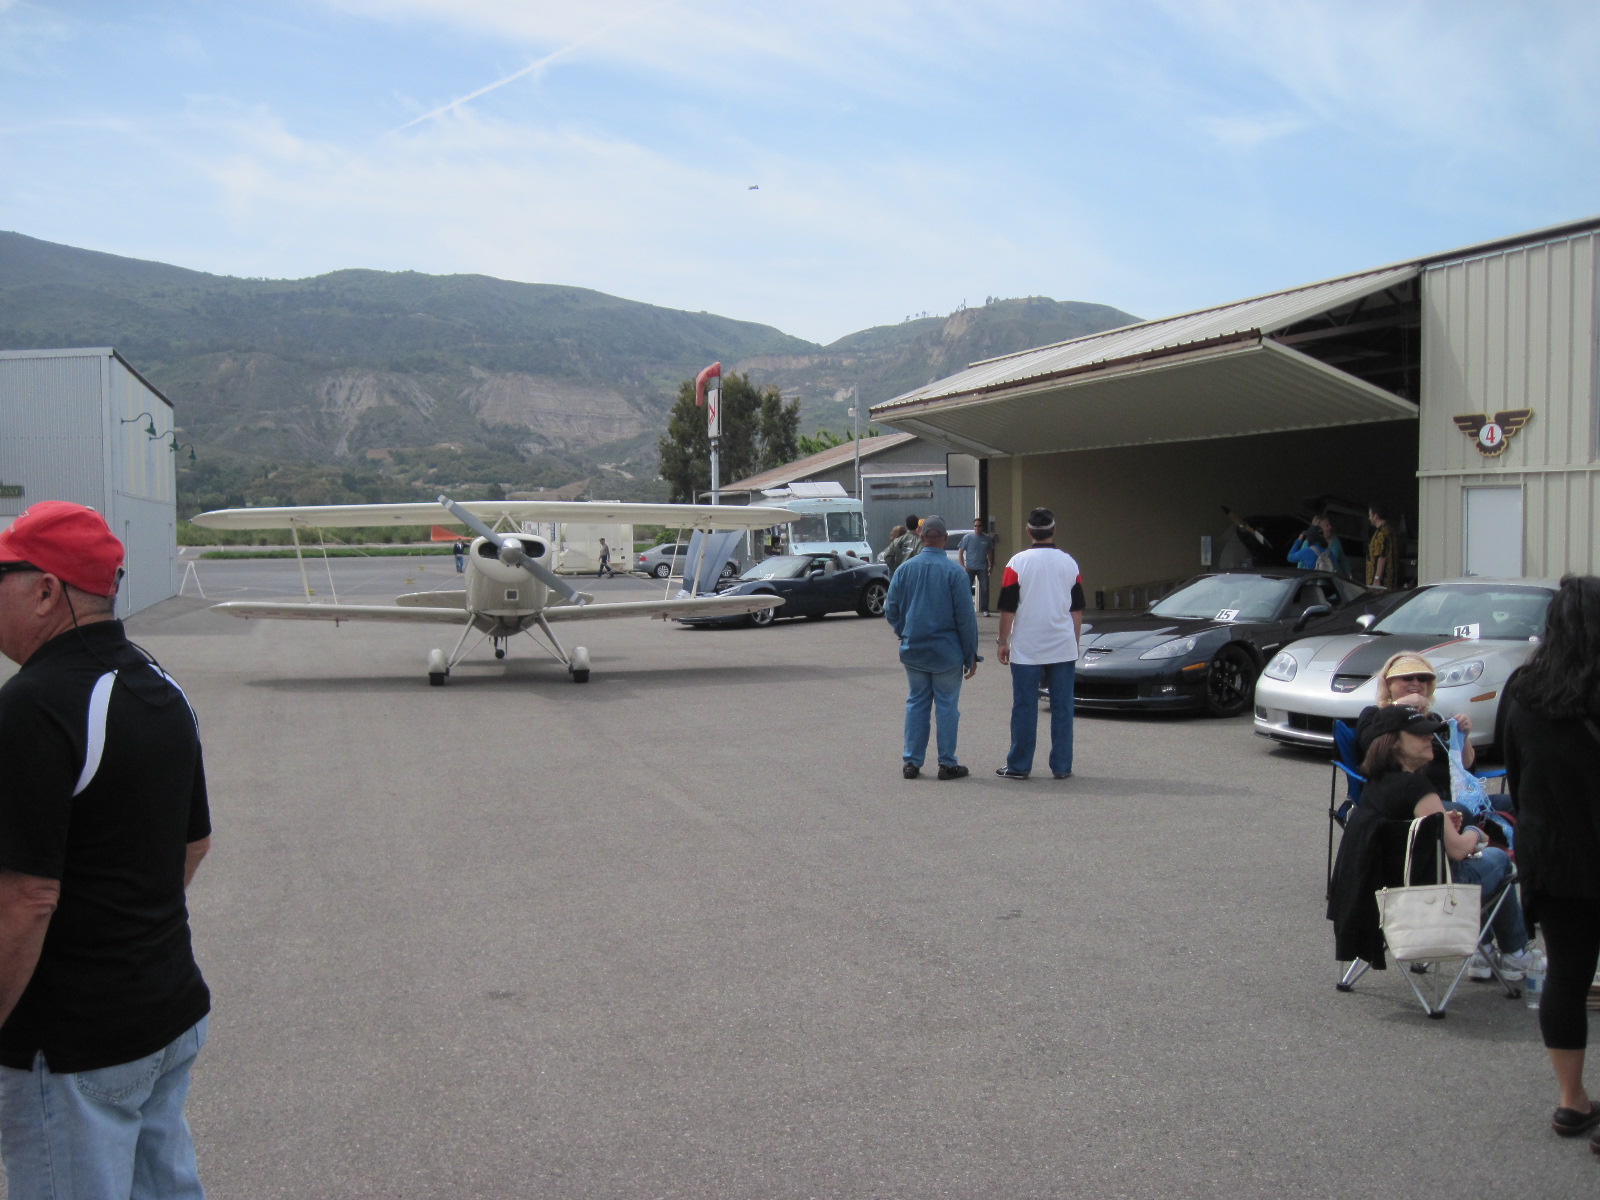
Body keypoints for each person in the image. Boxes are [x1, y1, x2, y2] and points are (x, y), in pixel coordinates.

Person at [0, 502, 212, 1198]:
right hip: (165, 1010)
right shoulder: (161, 687)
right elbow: (194, 842)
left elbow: (27, 899)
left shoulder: (34, 705)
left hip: (71, 1044)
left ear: (44, 589)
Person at [1503, 575, 1600, 1147]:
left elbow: (1515, 774)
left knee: (1566, 974)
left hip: (1552, 855)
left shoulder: (1524, 687)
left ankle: (1572, 1102)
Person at [1343, 705, 1534, 971]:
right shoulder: (1417, 788)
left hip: (1379, 892)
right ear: (1394, 743)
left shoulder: (1376, 785)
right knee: (1499, 859)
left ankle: (1487, 949)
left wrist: (1442, 824)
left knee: (1485, 861)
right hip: (1428, 895)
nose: (1430, 738)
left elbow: (1411, 832)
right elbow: (1456, 851)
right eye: (1419, 735)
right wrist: (1475, 833)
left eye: (1430, 734)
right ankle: (1512, 952)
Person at [883, 515, 978, 781]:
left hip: (914, 648)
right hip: (947, 650)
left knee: (916, 702)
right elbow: (965, 619)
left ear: (921, 538)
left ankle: (912, 761)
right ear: (945, 539)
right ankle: (947, 763)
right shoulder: (955, 572)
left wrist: (904, 630)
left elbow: (890, 609)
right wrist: (971, 654)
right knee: (947, 705)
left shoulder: (904, 569)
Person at [996, 507, 1085, 780]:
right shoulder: (1069, 563)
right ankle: (1061, 766)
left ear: (1028, 531)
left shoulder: (1017, 563)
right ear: (1053, 531)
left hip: (1027, 646)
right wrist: (1074, 641)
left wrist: (1002, 641)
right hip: (1061, 645)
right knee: (1063, 706)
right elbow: (1077, 610)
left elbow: (1008, 609)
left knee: (1024, 706)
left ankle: (1019, 765)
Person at [957, 517, 996, 616]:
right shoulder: (967, 538)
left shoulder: (987, 538)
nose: (977, 528)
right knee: (967, 588)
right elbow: (961, 551)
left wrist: (991, 565)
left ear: (982, 527)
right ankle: (966, 609)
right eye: (975, 526)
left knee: (985, 588)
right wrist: (963, 565)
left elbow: (990, 552)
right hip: (969, 567)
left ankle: (985, 609)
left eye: (979, 526)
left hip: (982, 567)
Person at [1366, 502, 1396, 589]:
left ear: (1376, 516)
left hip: (1381, 584)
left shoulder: (1381, 533)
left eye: (1370, 515)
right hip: (1391, 582)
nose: (1369, 518)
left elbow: (1381, 557)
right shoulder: (1391, 531)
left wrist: (1377, 579)